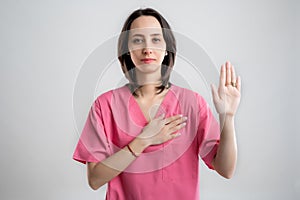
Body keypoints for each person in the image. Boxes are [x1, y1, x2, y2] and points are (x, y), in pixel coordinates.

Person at [73, 7, 241, 200]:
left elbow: (226, 170)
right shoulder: (105, 106)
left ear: (167, 48)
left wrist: (227, 117)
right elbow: (94, 179)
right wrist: (143, 140)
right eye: (137, 40)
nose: (147, 49)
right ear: (126, 50)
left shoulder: (192, 104)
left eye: (155, 39)